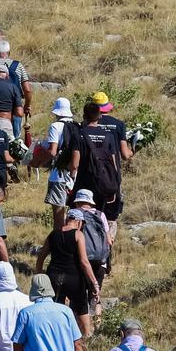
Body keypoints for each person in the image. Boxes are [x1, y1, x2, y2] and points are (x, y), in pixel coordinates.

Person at [72, 98, 129, 243]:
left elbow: (74, 164)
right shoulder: (109, 136)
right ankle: (103, 250)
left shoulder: (79, 134)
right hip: (104, 183)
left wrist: (70, 180)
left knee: (82, 215)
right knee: (103, 216)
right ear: (99, 116)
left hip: (85, 182)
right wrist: (115, 184)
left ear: (84, 116)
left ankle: (84, 247)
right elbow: (114, 162)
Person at [43, 97, 80, 230]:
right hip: (74, 174)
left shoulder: (55, 126)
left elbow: (53, 151)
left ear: (57, 112)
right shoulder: (77, 126)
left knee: (58, 214)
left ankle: (59, 242)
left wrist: (40, 156)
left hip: (58, 176)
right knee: (74, 214)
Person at [0, 42, 32, 140]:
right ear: (9, 52)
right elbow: (27, 89)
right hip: (14, 109)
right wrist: (27, 105)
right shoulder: (18, 65)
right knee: (14, 141)